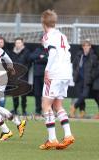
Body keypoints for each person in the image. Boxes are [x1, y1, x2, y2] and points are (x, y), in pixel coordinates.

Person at [39, 9, 75, 150]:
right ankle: (68, 135)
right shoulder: (62, 35)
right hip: (66, 73)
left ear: (43, 22)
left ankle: (52, 139)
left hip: (55, 73)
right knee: (58, 105)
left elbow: (53, 53)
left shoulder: (47, 36)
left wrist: (47, 71)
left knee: (46, 106)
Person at [71, 40, 97, 118]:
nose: (86, 47)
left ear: (90, 47)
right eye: (84, 46)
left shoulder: (93, 57)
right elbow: (74, 65)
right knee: (80, 96)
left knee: (84, 95)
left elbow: (96, 69)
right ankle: (82, 111)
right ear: (82, 47)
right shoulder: (79, 55)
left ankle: (74, 106)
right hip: (78, 79)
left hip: (87, 80)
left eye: (87, 46)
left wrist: (91, 77)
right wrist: (75, 74)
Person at [7, 37, 30, 115]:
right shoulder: (12, 53)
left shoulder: (26, 52)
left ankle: (24, 110)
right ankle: (15, 109)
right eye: (16, 43)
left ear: (22, 43)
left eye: (19, 43)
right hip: (14, 77)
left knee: (23, 95)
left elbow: (28, 64)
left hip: (23, 77)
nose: (18, 44)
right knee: (15, 94)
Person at [29, 42, 48, 116]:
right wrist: (40, 56)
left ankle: (46, 110)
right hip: (37, 75)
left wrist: (40, 58)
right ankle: (38, 110)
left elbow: (48, 59)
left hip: (46, 76)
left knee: (46, 94)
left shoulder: (49, 50)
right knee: (37, 94)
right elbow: (31, 57)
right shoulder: (37, 49)